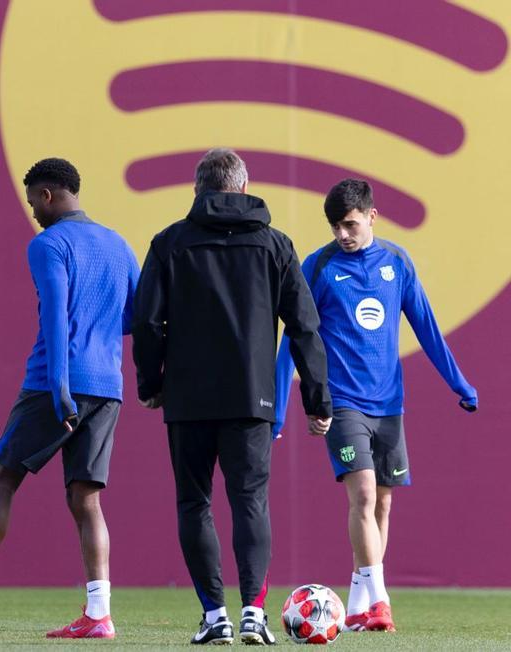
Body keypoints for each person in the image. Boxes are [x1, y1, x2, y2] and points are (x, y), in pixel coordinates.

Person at [132, 148, 332, 645]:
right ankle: (254, 615)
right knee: (250, 503)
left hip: (188, 399)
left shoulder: (169, 243)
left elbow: (146, 322)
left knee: (193, 502)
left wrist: (150, 383)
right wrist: (317, 398)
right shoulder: (275, 244)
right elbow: (305, 328)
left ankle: (214, 615)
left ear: (197, 188)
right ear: (243, 187)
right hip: (251, 399)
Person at [0, 158, 137, 639]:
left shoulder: (48, 244)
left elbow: (55, 318)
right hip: (108, 386)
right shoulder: (119, 244)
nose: (33, 213)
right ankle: (99, 614)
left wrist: (61, 388)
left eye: (33, 203)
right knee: (86, 499)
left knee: (4, 477)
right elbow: (136, 319)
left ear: (48, 195)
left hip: (54, 382)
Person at [273, 179, 477, 633]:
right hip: (343, 404)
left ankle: (361, 602)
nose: (342, 234)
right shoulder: (319, 266)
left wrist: (459, 383)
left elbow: (426, 327)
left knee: (383, 503)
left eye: (349, 224)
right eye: (334, 226)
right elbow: (295, 340)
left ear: (371, 216)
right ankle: (381, 600)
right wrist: (279, 407)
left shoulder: (397, 263)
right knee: (363, 495)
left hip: (389, 405)